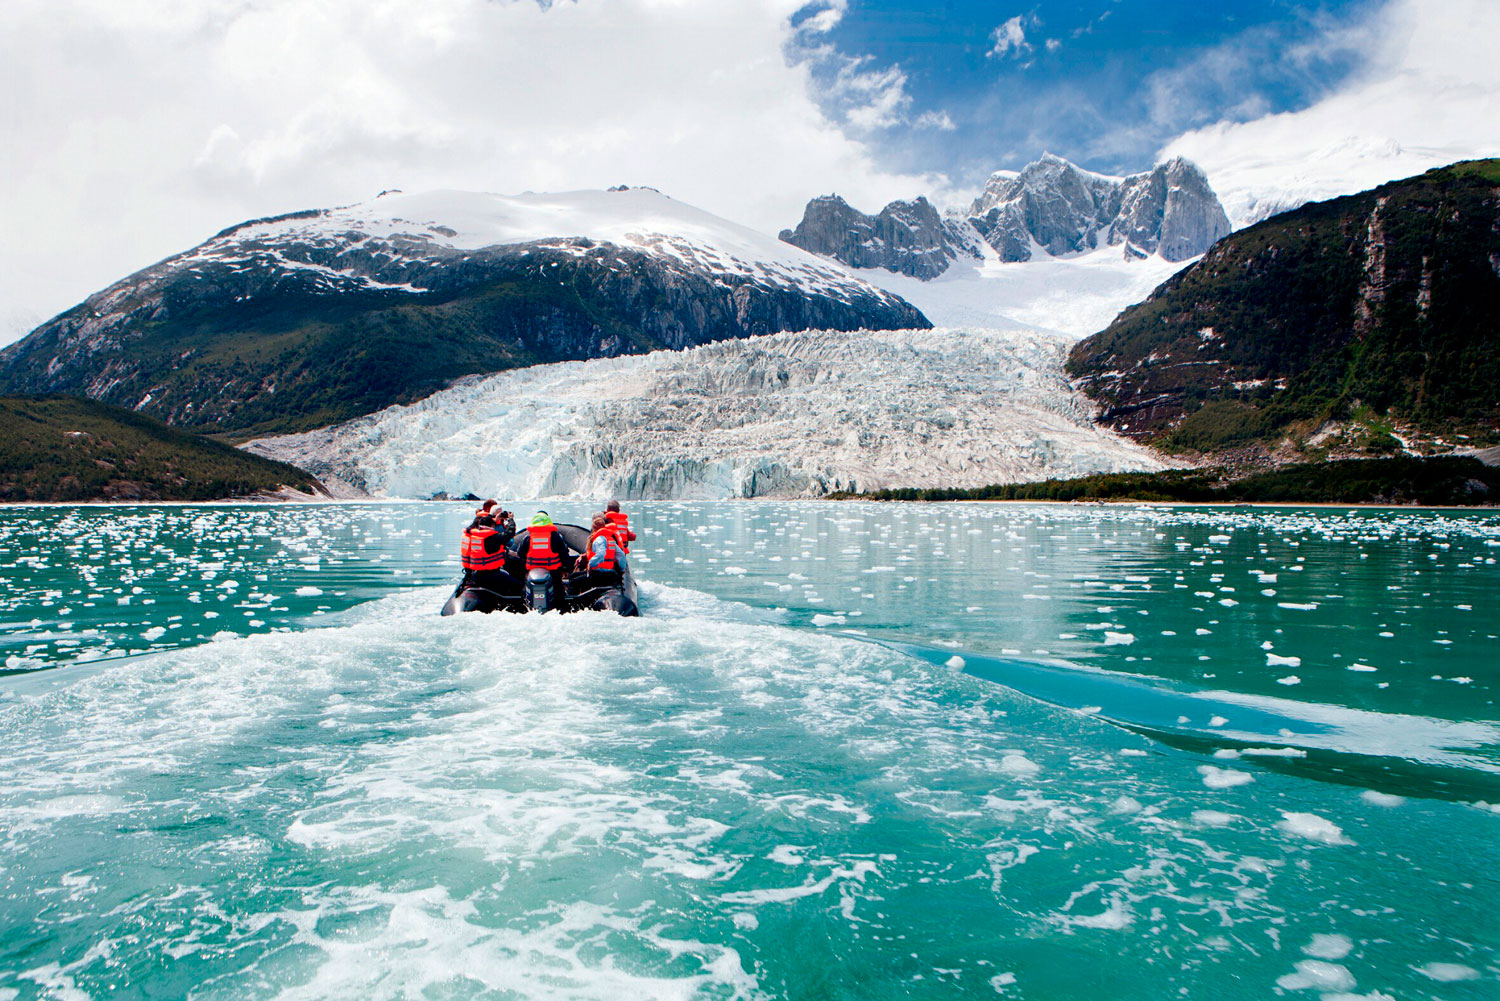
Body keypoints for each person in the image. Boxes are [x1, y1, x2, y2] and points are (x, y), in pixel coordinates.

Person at [459, 500, 514, 592]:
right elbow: (509, 536)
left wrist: (493, 518)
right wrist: (511, 520)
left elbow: (470, 528)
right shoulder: (493, 537)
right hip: (491, 573)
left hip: (475, 572)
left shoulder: (474, 533)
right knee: (517, 584)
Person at [525, 511, 571, 610]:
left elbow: (520, 553)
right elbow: (564, 554)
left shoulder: (528, 537)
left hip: (533, 572)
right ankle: (562, 608)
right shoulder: (555, 536)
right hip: (553, 572)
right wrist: (566, 567)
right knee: (559, 592)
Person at [576, 512, 627, 588]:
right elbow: (621, 555)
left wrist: (591, 564)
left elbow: (601, 554)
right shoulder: (610, 539)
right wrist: (622, 569)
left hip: (598, 573)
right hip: (610, 571)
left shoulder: (599, 539)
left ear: (594, 528)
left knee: (574, 579)